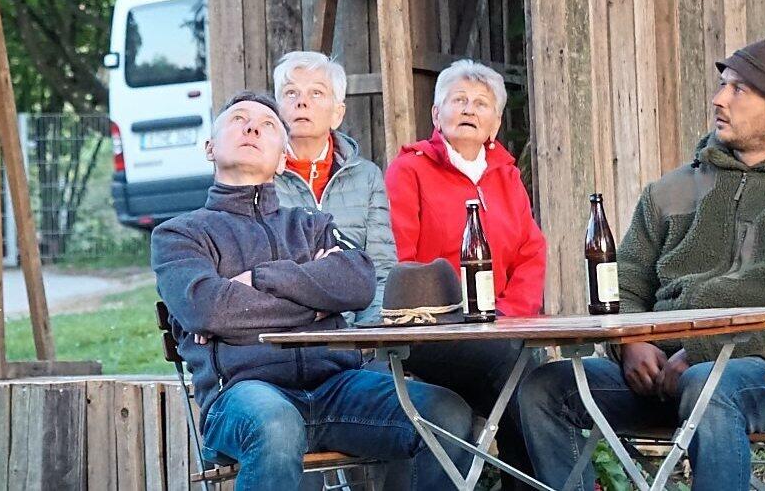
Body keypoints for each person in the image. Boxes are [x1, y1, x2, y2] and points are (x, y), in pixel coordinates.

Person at [518, 32, 765, 490]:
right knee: (545, 388)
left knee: (708, 386)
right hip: (656, 373)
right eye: (723, 84)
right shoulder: (668, 191)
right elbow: (623, 286)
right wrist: (631, 342)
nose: (719, 98)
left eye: (739, 89)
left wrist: (706, 353)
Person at [152, 90, 474, 489]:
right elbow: (207, 309)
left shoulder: (312, 224)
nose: (252, 128)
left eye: (267, 125)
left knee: (445, 413)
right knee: (276, 423)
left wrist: (259, 279)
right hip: (243, 394)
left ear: (283, 159)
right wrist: (316, 303)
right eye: (238, 120)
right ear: (210, 148)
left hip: (338, 386)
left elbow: (358, 281)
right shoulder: (179, 234)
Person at [384, 58, 545, 488]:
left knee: (538, 375)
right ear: (437, 114)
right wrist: (449, 315)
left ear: (495, 123)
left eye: (481, 103)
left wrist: (508, 315)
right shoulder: (409, 171)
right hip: (431, 331)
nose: (469, 109)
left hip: (499, 328)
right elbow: (401, 258)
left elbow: (531, 251)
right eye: (458, 100)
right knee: (518, 368)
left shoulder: (507, 177)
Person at [272, 51, 395, 324]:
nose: (302, 102)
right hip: (288, 332)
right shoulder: (261, 177)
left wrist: (364, 334)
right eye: (291, 93)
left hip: (359, 333)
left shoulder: (367, 177)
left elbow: (381, 272)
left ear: (337, 114)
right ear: (276, 109)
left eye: (316, 93)